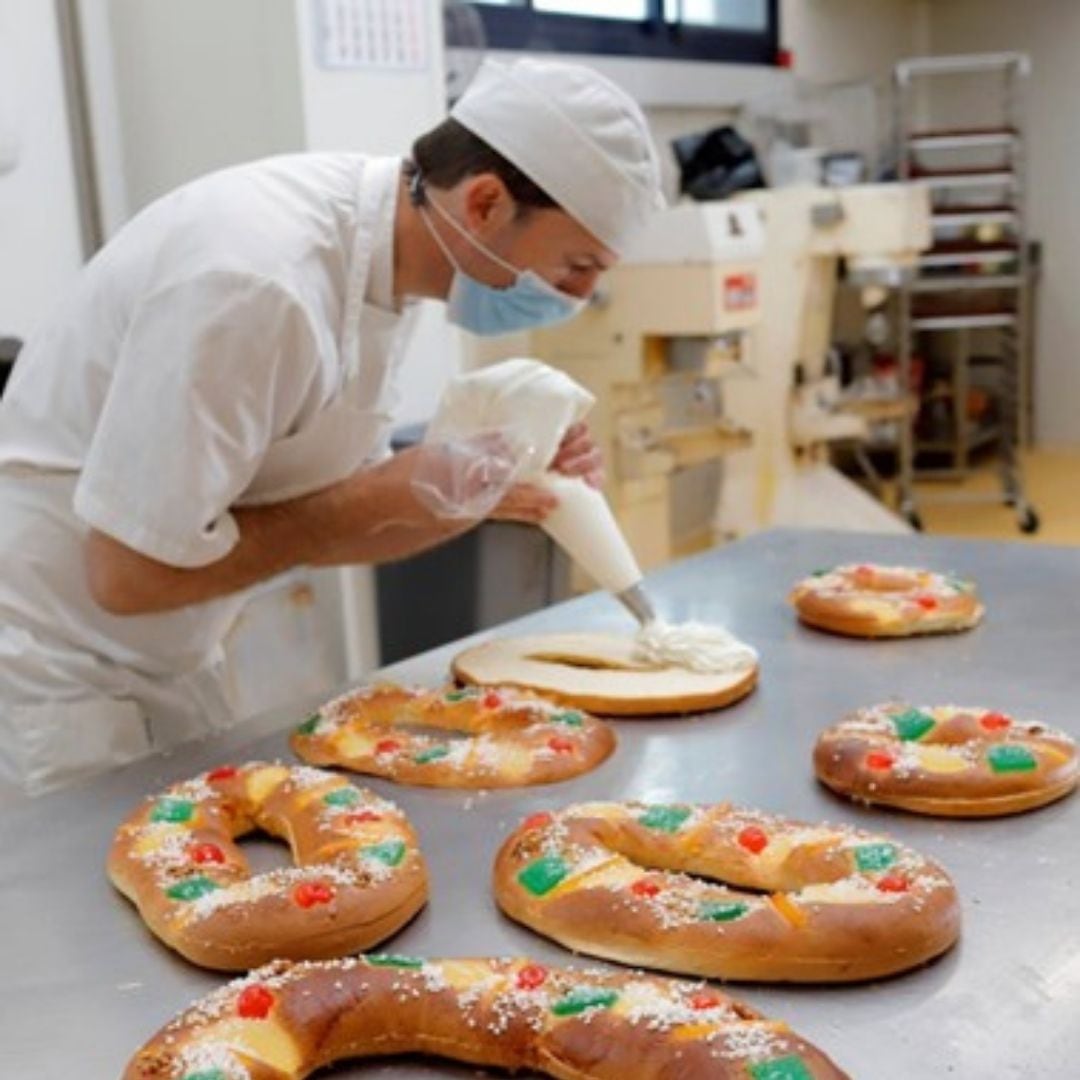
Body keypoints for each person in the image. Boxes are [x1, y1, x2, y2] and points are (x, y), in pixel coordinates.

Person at [0, 57, 664, 794]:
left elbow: (326, 520)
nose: (579, 297)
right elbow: (126, 575)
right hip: (53, 674)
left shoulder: (382, 269)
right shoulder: (260, 280)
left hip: (166, 658)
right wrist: (382, 496)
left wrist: (479, 493)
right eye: (575, 266)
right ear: (483, 204)